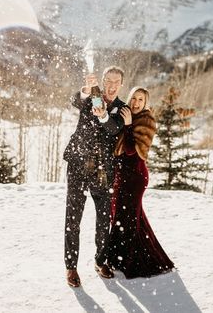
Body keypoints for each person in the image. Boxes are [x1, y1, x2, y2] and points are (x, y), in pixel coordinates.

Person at [63, 66, 126, 287]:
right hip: (79, 163)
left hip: (102, 171)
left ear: (121, 84)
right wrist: (85, 90)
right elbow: (76, 101)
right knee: (73, 217)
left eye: (116, 82)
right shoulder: (92, 96)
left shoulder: (122, 109)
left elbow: (114, 130)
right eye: (108, 80)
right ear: (102, 80)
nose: (111, 85)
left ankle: (100, 261)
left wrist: (104, 117)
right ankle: (71, 267)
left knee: (103, 218)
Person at [108, 86, 175, 279]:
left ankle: (132, 262)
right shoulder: (126, 115)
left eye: (141, 100)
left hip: (135, 177)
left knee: (127, 219)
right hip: (122, 176)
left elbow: (131, 151)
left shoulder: (147, 121)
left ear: (146, 103)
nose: (136, 103)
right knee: (128, 217)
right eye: (134, 99)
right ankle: (145, 257)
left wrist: (128, 125)